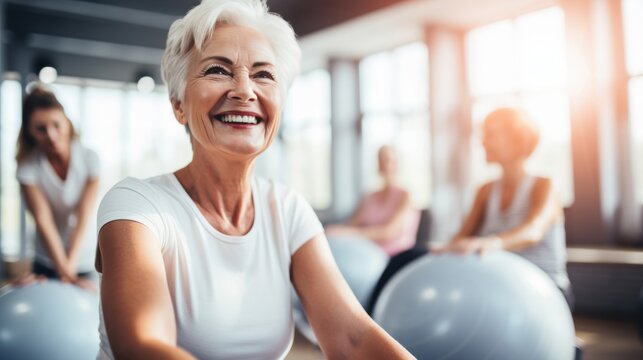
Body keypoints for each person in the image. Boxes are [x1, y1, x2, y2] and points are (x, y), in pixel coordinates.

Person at [95, 1, 413, 359]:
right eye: (218, 70)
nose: (244, 90)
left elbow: (352, 337)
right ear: (178, 104)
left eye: (263, 75)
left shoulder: (287, 210)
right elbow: (144, 346)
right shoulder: (136, 205)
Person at [433, 107, 573, 307]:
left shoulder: (544, 186)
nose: (482, 142)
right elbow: (462, 237)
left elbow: (533, 231)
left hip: (545, 289)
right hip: (503, 285)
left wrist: (493, 243)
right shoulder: (485, 191)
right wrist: (446, 249)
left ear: (516, 140)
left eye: (490, 135)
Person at [15, 87, 99, 290]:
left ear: (67, 123)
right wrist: (64, 269)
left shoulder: (89, 158)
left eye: (56, 125)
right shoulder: (28, 165)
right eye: (40, 129)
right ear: (29, 131)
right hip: (47, 260)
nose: (51, 135)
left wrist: (69, 266)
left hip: (84, 258)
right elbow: (43, 220)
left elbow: (83, 214)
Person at [325, 145, 420, 257]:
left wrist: (348, 233)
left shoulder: (405, 196)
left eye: (388, 160)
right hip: (366, 251)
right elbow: (352, 225)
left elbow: (388, 232)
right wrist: (337, 232)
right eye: (380, 160)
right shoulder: (370, 197)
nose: (384, 164)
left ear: (397, 163)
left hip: (394, 256)